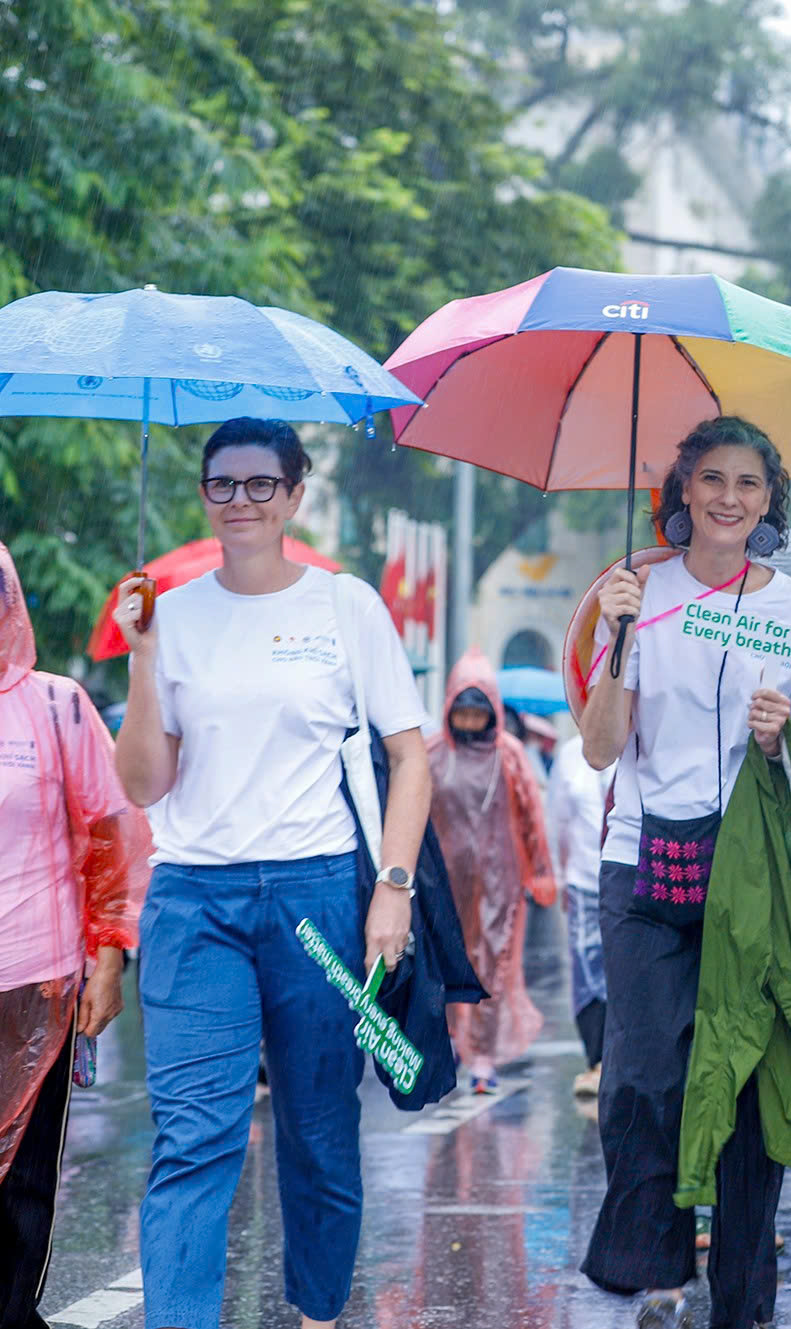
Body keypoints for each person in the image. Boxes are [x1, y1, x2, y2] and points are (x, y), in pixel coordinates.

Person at [113, 418, 432, 1329]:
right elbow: (143, 783)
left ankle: (318, 1316)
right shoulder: (170, 615)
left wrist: (393, 887)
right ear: (204, 493)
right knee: (193, 1141)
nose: (241, 501)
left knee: (322, 1135)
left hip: (317, 896)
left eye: (262, 484)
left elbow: (409, 759)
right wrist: (142, 655)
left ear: (294, 494)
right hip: (195, 901)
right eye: (223, 484)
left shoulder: (345, 607)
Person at [577, 416, 791, 1329]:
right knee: (645, 1077)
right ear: (683, 490)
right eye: (713, 479)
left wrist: (782, 736)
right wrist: (616, 638)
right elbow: (600, 748)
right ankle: (655, 1260)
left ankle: (743, 1297)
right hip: (643, 864)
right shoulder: (634, 592)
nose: (729, 497)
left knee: (745, 1094)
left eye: (749, 483)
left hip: (756, 874)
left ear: (770, 501)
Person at [0, 541, 150, 1327]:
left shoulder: (56, 705)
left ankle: (13, 1310)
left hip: (38, 979)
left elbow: (110, 834)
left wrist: (108, 954)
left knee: (25, 1173)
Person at [428, 648, 556, 1094]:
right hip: (441, 881)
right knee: (442, 963)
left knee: (489, 968)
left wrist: (541, 869)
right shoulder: (431, 754)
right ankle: (449, 1040)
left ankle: (481, 1054)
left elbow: (531, 815)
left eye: (476, 711)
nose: (468, 720)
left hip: (500, 881)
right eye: (460, 711)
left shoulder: (510, 755)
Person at [549, 731, 614, 1099]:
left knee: (625, 970)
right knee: (588, 972)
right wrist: (557, 877)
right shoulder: (570, 755)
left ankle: (625, 1060)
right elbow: (557, 819)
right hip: (583, 879)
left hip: (630, 874)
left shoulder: (638, 742)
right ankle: (596, 1061)